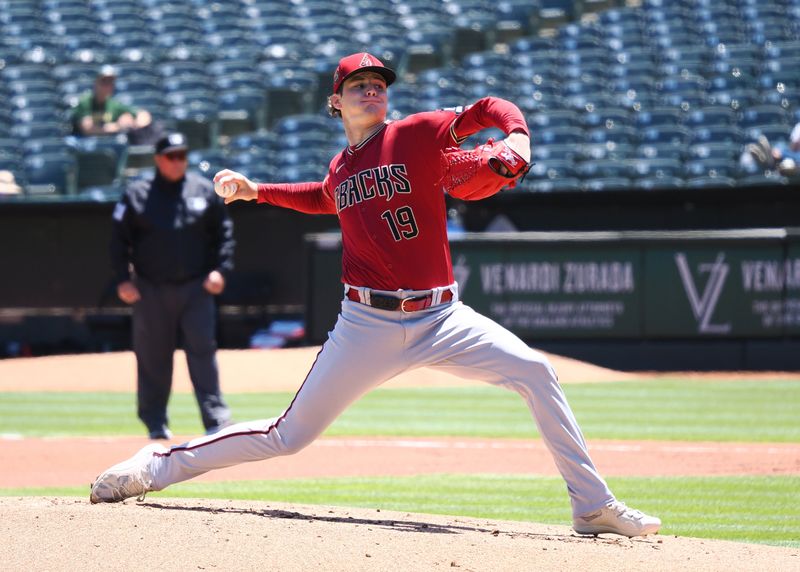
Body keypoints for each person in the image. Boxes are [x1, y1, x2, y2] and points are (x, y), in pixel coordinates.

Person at [91, 53, 661, 538]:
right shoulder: (341, 169)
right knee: (288, 436)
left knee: (535, 372)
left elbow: (490, 109)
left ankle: (590, 507)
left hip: (443, 315)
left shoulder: (413, 134)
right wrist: (258, 190)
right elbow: (324, 196)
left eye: (381, 83)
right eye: (359, 84)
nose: (373, 89)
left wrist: (516, 135)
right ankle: (155, 465)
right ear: (335, 102)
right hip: (367, 323)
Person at [109, 132, 235, 440]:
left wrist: (220, 270)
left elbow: (224, 234)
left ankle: (215, 418)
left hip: (195, 288)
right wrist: (122, 280)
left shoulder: (203, 190)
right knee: (153, 356)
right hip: (151, 288)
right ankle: (155, 421)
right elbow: (117, 241)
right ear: (158, 159)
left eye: (182, 155)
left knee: (203, 351)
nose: (178, 161)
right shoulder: (137, 194)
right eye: (171, 156)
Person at [70, 65, 154, 139]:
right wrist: (117, 126)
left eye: (110, 82)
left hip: (105, 142)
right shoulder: (86, 101)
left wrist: (133, 124)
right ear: (96, 83)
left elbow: (143, 115)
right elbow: (87, 129)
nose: (107, 86)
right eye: (104, 81)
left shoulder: (113, 104)